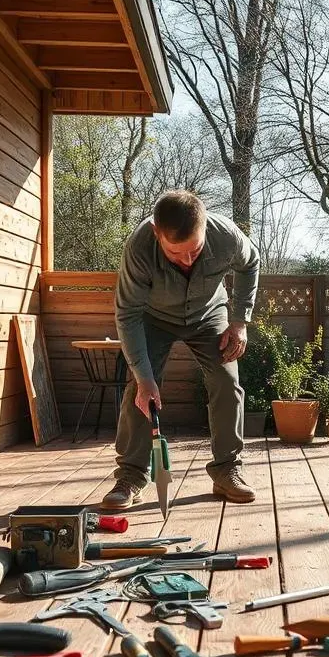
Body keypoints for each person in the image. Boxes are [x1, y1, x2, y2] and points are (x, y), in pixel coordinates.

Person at [102, 189, 260, 509]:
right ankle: (131, 475)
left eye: (195, 250)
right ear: (157, 233)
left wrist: (240, 321)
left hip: (208, 314)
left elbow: (250, 263)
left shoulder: (226, 235)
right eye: (176, 253)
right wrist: (146, 379)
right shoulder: (139, 248)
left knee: (227, 381)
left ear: (204, 228)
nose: (187, 260)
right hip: (154, 317)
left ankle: (227, 469)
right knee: (140, 387)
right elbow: (128, 314)